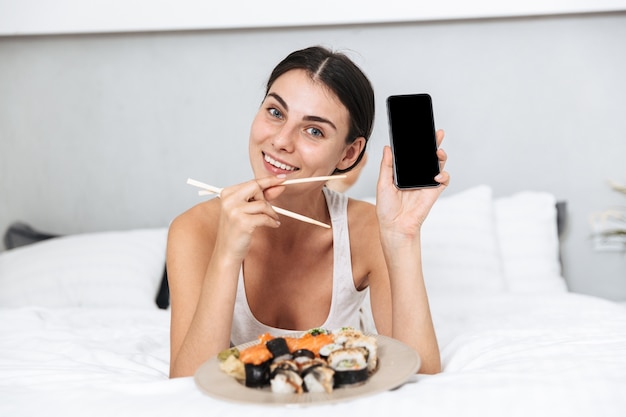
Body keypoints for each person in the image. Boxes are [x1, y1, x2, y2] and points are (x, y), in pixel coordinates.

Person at [166, 46, 449, 378]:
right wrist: (227, 255)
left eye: (314, 130)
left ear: (348, 154)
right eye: (275, 112)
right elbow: (185, 387)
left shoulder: (366, 229)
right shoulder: (194, 230)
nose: (282, 140)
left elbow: (424, 379)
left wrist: (403, 236)